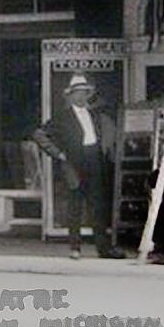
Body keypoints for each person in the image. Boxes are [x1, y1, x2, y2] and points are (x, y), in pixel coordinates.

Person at [33, 74, 125, 260]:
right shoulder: (62, 117)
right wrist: (58, 154)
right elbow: (40, 134)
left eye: (84, 93)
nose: (82, 97)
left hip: (94, 160)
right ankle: (75, 247)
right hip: (74, 163)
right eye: (78, 93)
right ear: (71, 96)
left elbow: (104, 136)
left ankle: (103, 248)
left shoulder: (95, 115)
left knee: (98, 206)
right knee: (75, 206)